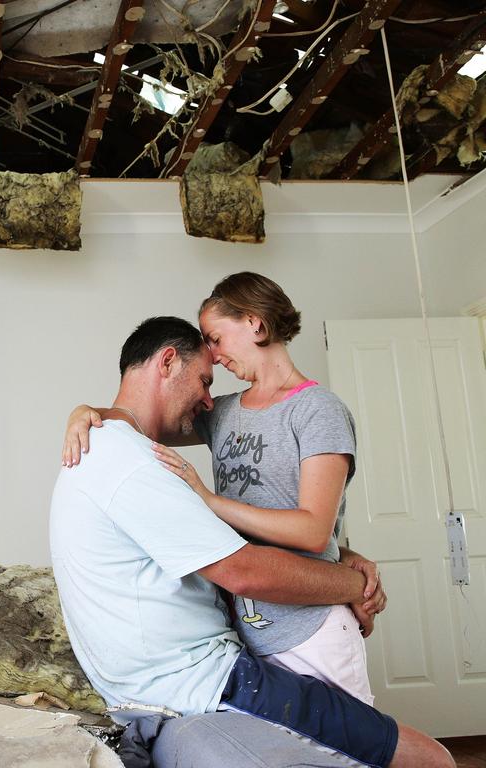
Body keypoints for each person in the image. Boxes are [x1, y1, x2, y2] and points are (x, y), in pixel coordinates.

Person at [50, 316, 453, 767]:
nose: (207, 400)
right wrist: (355, 585)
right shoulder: (132, 462)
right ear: (167, 363)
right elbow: (244, 571)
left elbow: (268, 532)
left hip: (202, 673)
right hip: (211, 682)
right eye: (204, 380)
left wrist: (343, 555)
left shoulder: (106, 447)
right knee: (428, 758)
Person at [62, 272, 375, 705]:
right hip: (246, 634)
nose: (212, 354)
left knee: (350, 750)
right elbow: (145, 417)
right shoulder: (224, 413)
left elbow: (314, 532)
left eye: (215, 338)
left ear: (255, 324)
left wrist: (210, 502)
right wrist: (83, 411)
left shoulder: (318, 411)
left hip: (310, 629)